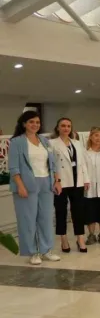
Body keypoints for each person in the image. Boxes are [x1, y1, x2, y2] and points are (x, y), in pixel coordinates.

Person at [9, 111, 61, 265]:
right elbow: (13, 167)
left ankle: (46, 250)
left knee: (46, 218)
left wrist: (57, 181)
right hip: (26, 184)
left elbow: (53, 163)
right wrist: (20, 186)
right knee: (28, 220)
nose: (35, 125)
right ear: (24, 124)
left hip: (46, 183)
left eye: (37, 122)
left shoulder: (45, 141)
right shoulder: (16, 142)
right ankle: (32, 252)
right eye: (31, 122)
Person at [49, 118, 89, 253]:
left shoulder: (77, 143)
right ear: (58, 128)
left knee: (78, 211)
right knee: (61, 211)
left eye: (68, 126)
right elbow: (51, 164)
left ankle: (80, 238)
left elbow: (82, 163)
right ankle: (63, 239)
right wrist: (55, 180)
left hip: (77, 181)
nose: (66, 128)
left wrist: (86, 179)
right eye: (63, 126)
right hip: (60, 182)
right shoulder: (52, 143)